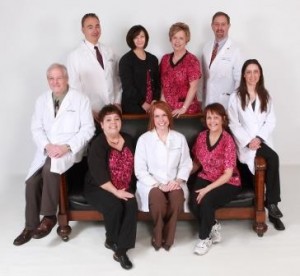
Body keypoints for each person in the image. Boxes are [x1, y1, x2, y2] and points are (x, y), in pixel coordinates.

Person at [13, 63, 95, 246]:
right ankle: (30, 226)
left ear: (67, 79)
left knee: (50, 169)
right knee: (31, 182)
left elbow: (88, 129)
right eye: (51, 78)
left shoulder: (81, 99)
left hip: (69, 150)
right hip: (47, 149)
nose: (55, 82)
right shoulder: (41, 100)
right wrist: (47, 145)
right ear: (47, 80)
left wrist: (67, 147)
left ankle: (49, 217)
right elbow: (36, 128)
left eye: (59, 78)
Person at [227, 59, 285, 231]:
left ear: (260, 75)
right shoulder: (236, 97)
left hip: (261, 140)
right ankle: (268, 204)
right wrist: (247, 141)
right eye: (249, 72)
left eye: (256, 72)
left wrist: (259, 138)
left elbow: (271, 120)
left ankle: (272, 204)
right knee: (261, 168)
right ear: (244, 75)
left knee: (273, 158)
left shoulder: (265, 95)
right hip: (245, 143)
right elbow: (233, 123)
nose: (252, 75)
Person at [84, 104, 137, 270]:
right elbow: (99, 175)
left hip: (124, 185)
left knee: (131, 204)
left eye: (116, 119)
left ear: (121, 122)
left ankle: (121, 251)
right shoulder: (97, 145)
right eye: (108, 120)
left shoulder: (129, 140)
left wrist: (128, 189)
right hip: (99, 187)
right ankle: (111, 240)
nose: (113, 123)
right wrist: (116, 192)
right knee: (114, 205)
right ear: (101, 124)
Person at [135, 101, 192, 251]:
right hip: (152, 183)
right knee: (158, 201)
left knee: (177, 198)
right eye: (157, 116)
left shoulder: (179, 138)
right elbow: (140, 170)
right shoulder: (144, 140)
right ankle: (157, 233)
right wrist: (159, 185)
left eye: (164, 115)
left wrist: (178, 180)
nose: (161, 120)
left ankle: (169, 236)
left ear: (169, 117)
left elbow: (186, 163)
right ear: (152, 119)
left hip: (174, 181)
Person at [189, 103, 241, 255]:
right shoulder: (201, 137)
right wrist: (180, 177)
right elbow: (197, 163)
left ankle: (205, 238)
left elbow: (228, 173)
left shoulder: (227, 140)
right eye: (209, 117)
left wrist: (207, 189)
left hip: (228, 181)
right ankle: (213, 224)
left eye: (216, 117)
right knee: (194, 201)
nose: (212, 121)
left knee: (206, 200)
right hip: (206, 175)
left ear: (223, 119)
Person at [67, 13, 121, 119]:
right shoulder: (74, 56)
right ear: (83, 30)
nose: (95, 30)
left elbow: (117, 80)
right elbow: (73, 88)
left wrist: (117, 103)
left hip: (112, 112)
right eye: (90, 27)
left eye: (97, 26)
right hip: (90, 113)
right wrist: (89, 111)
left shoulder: (109, 51)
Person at [202, 11, 243, 108]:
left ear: (229, 26)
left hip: (226, 103)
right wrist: (200, 100)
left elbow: (240, 79)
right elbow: (203, 77)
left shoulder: (236, 49)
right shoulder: (206, 48)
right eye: (216, 24)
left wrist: (234, 103)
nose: (219, 28)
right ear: (212, 26)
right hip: (208, 101)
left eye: (223, 24)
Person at [160, 22, 201, 117]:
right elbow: (163, 85)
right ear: (170, 39)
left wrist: (183, 108)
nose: (177, 41)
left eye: (181, 38)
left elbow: (193, 87)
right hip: (166, 109)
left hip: (185, 110)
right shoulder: (165, 59)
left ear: (187, 40)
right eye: (174, 37)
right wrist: (162, 105)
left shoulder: (192, 60)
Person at [119, 25, 160, 114]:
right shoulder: (125, 60)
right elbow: (128, 87)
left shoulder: (153, 59)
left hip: (153, 107)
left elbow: (158, 83)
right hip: (133, 107)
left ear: (146, 38)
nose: (139, 40)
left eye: (142, 36)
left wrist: (155, 100)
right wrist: (143, 104)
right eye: (136, 37)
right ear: (131, 39)